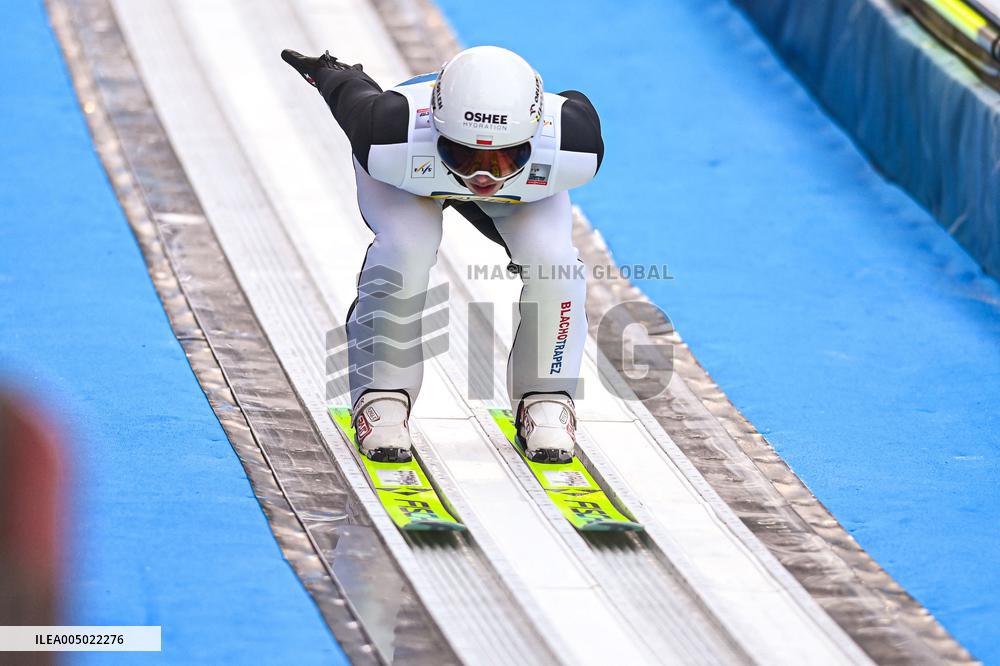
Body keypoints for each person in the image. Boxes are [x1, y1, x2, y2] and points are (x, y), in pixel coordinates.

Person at [281, 46, 603, 464]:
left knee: (554, 264)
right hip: (409, 178)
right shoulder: (388, 134)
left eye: (505, 158)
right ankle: (382, 392)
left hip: (440, 172)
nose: (481, 178)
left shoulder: (573, 145)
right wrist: (329, 70)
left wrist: (460, 162)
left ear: (537, 136)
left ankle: (548, 395)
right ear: (435, 130)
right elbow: (349, 90)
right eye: (464, 154)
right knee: (405, 250)